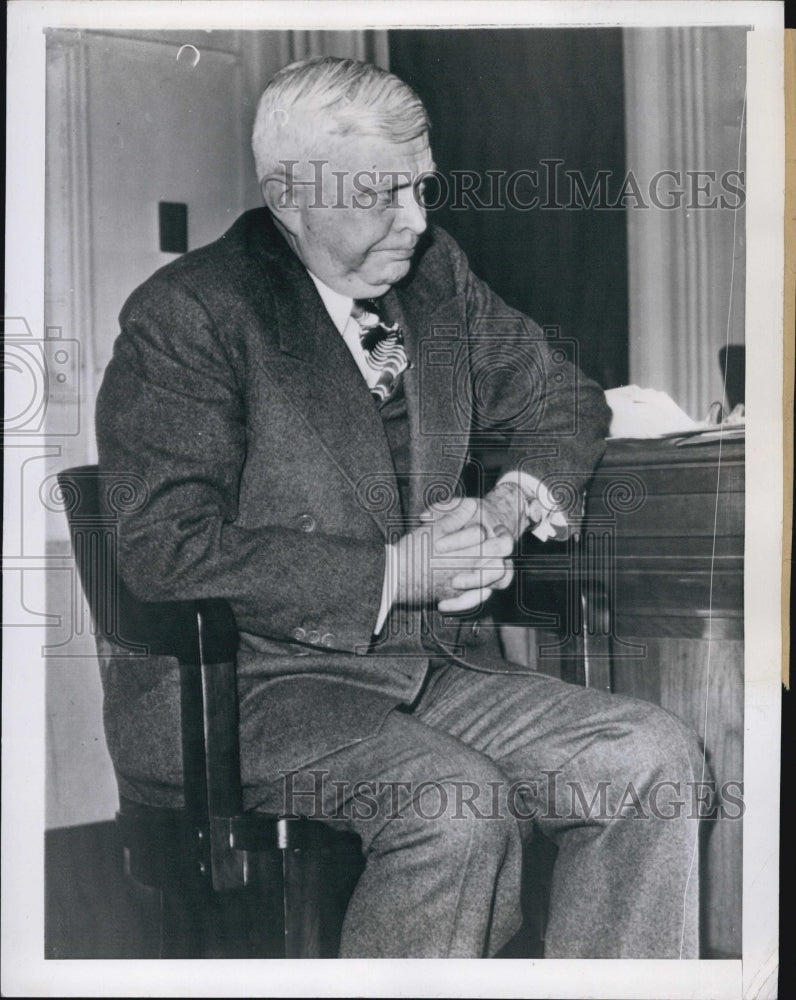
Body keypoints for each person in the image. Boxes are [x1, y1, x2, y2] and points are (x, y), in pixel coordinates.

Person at [95, 56, 706, 958]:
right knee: (455, 810)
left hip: (435, 672)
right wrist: (400, 571)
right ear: (288, 194)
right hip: (249, 693)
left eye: (422, 187)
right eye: (383, 193)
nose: (416, 221)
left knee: (650, 757)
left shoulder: (435, 277)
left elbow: (561, 399)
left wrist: (502, 510)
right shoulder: (192, 316)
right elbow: (163, 546)